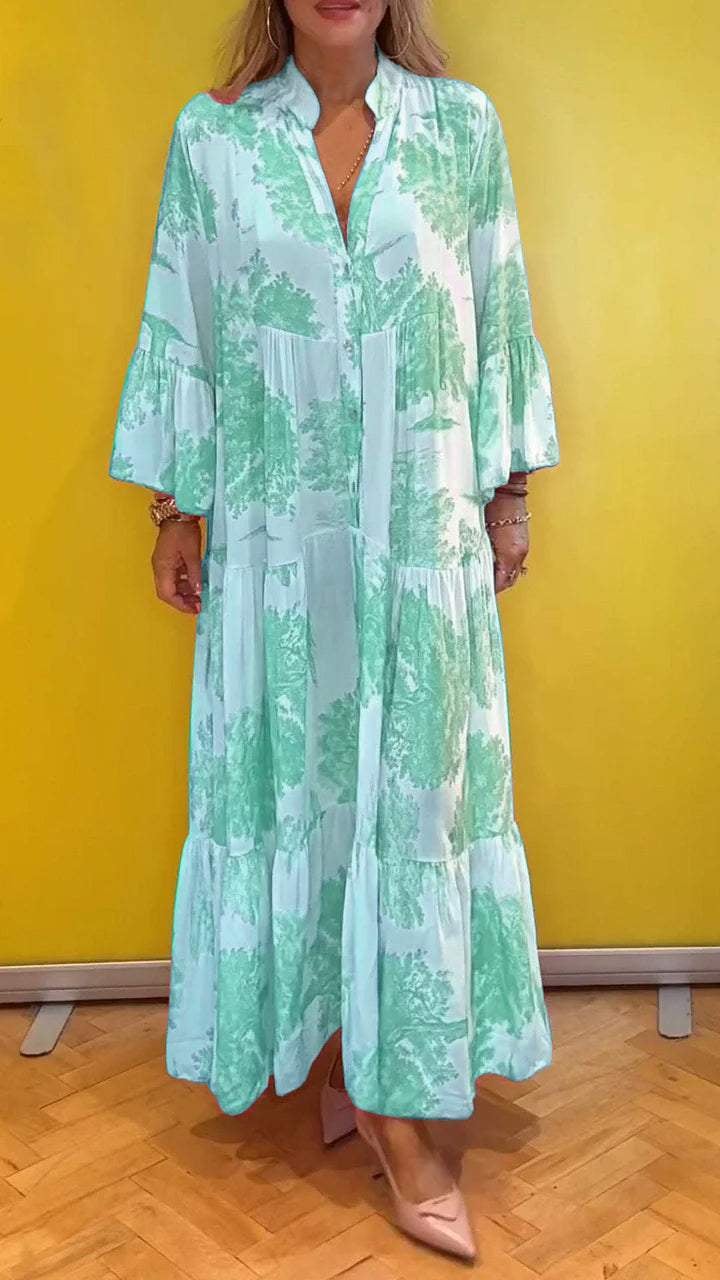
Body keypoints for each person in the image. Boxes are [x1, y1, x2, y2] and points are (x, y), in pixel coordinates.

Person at [108, 0, 560, 1261]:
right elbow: (185, 326)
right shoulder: (215, 142)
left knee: (414, 808)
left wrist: (511, 493)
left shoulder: (461, 131)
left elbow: (498, 311)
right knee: (303, 798)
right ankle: (345, 1063)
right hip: (280, 547)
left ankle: (395, 1104)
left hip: (419, 541)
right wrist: (174, 509)